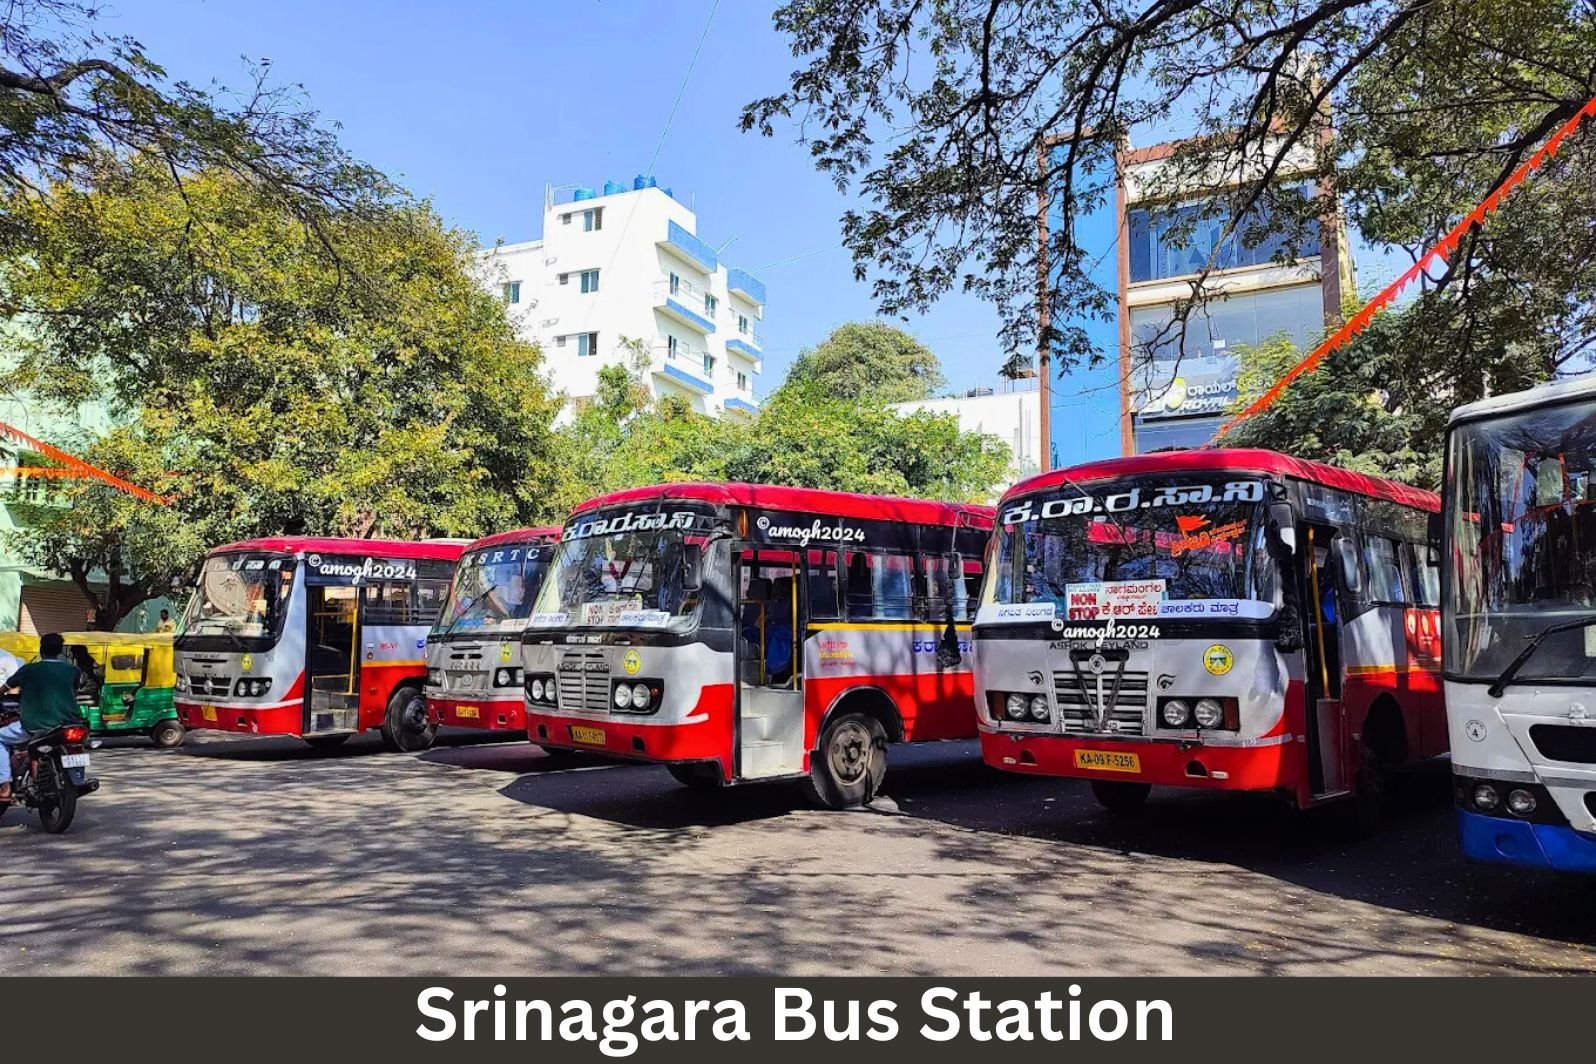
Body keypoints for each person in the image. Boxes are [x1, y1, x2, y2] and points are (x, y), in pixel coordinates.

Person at [0, 633, 85, 801]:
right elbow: (74, 690)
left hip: (34, 724)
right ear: (60, 651)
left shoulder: (29, 670)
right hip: (68, 722)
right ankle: (78, 779)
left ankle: (4, 784)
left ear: (41, 650)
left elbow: (5, 689)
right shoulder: (73, 671)